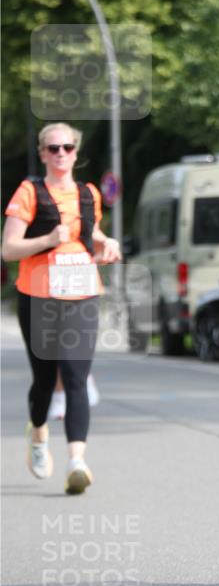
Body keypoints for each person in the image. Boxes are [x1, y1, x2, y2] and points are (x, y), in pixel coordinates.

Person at [2, 122, 121, 493]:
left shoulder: (88, 193)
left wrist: (106, 243)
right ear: (42, 154)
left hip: (82, 294)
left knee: (76, 377)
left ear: (76, 153)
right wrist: (48, 239)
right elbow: (9, 250)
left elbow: (90, 235)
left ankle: (76, 461)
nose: (60, 154)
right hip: (39, 297)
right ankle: (38, 433)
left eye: (67, 148)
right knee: (43, 380)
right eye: (53, 148)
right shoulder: (29, 192)